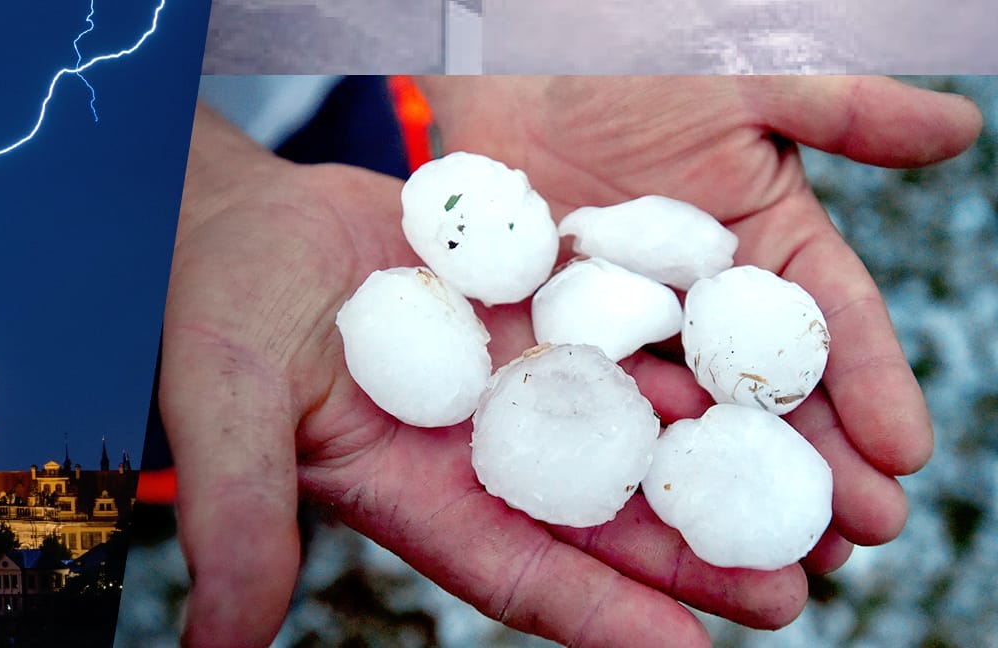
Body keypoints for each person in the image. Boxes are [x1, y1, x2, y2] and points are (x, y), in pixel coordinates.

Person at [160, 76, 982, 647]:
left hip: (310, 91)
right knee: (175, 427)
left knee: (251, 417)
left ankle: (263, 496)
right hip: (104, 184)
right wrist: (198, 195)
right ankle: (169, 494)